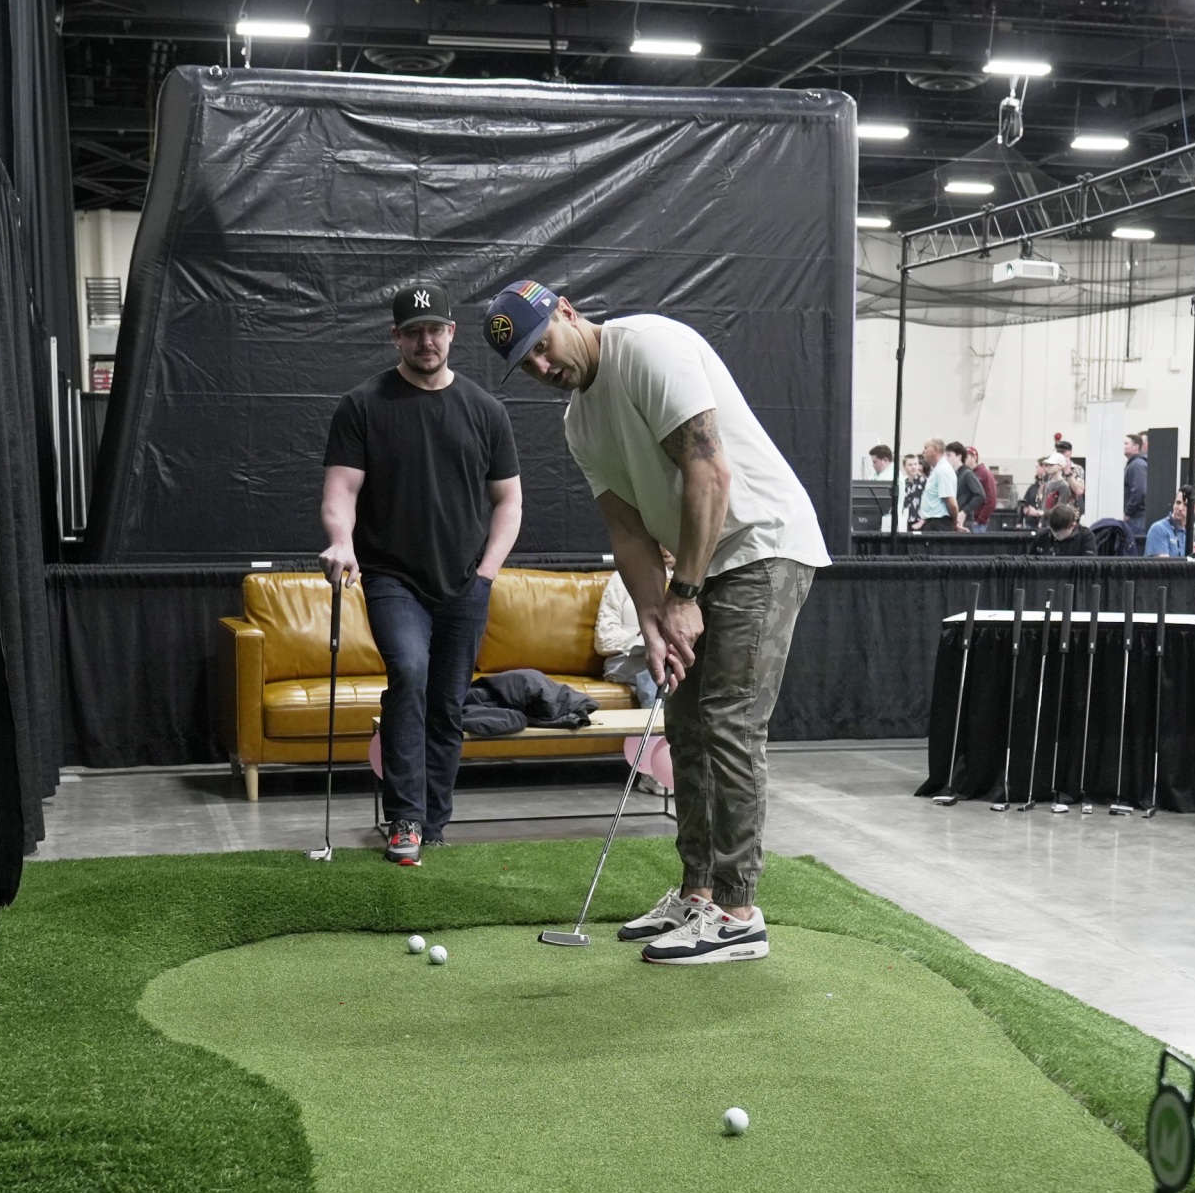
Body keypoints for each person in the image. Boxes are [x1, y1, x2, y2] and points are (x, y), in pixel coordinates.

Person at [496, 278, 829, 964]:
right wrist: (653, 623)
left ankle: (738, 914)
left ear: (567, 312)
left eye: (542, 345)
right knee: (685, 724)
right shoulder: (578, 423)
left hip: (761, 544)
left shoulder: (648, 346)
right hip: (699, 563)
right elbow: (628, 533)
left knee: (728, 721)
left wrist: (683, 596)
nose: (542, 366)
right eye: (526, 363)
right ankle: (698, 893)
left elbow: (710, 472)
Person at [321, 281, 524, 867]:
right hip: (392, 578)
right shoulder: (363, 405)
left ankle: (434, 822)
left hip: (466, 581)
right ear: (396, 338)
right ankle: (405, 818)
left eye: (435, 329)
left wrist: (487, 573)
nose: (425, 341)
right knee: (409, 673)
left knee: (448, 703)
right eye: (413, 332)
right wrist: (341, 541)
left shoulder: (485, 411)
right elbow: (341, 490)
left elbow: (509, 500)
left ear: (452, 333)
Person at [594, 542, 670, 708]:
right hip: (628, 660)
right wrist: (645, 634)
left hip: (674, 658)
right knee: (655, 669)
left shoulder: (692, 585)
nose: (666, 551)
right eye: (660, 545)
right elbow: (603, 641)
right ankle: (657, 723)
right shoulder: (623, 579)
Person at [915, 436, 958, 530]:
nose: (923, 451)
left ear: (935, 450)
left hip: (939, 524)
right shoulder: (937, 470)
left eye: (926, 448)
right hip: (933, 523)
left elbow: (952, 504)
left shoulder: (942, 470)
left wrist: (955, 523)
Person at [1123, 432, 1150, 523]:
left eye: (1126, 443)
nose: (1123, 446)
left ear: (1136, 447)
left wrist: (1127, 512)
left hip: (1136, 518)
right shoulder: (1135, 464)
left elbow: (1139, 491)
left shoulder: (1136, 465)